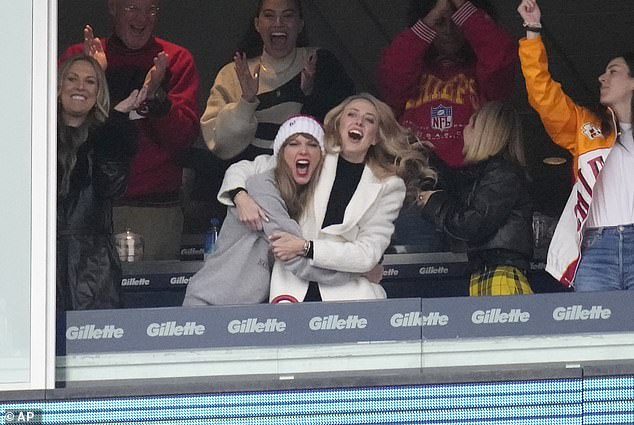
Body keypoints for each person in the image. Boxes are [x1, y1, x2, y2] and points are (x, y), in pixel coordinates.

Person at [218, 93, 435, 302]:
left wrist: (306, 247)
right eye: (352, 115)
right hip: (292, 287)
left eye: (369, 120)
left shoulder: (389, 186)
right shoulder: (315, 153)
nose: (358, 122)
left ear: (376, 136)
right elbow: (246, 170)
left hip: (349, 295)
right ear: (339, 125)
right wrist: (240, 195)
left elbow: (367, 254)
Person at [60, 0, 200, 260]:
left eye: (151, 10)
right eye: (132, 8)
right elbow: (59, 132)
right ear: (112, 8)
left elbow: (184, 139)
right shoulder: (80, 59)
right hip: (84, 208)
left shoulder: (175, 60)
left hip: (155, 210)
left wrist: (158, 99)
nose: (142, 18)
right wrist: (95, 77)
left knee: (154, 297)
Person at [184, 116, 369, 306]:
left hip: (248, 313)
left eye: (312, 145)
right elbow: (297, 260)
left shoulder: (311, 199)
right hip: (208, 306)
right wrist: (358, 272)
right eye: (294, 144)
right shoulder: (263, 186)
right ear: (280, 154)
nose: (303, 151)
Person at [377, 0, 516, 249]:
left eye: (458, 20)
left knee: (468, 270)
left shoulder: (483, 71)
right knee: (420, 269)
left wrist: (461, 5)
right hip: (417, 184)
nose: (450, 30)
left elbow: (500, 55)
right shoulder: (411, 69)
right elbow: (391, 70)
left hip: (473, 185)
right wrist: (432, 18)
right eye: (442, 22)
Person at [518, 0, 634, 291]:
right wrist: (532, 30)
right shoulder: (585, 126)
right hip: (596, 249)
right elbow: (543, 96)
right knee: (597, 334)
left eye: (614, 71)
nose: (602, 77)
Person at [200, 0, 354, 163]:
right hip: (247, 179)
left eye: (287, 16)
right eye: (269, 16)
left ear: (300, 24)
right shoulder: (233, 73)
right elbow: (220, 145)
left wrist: (309, 93)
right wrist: (246, 102)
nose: (278, 23)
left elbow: (344, 129)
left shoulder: (321, 63)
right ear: (257, 24)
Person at [57, 54, 147, 311]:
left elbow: (112, 185)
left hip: (92, 265)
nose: (80, 87)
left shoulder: (107, 135)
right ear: (59, 86)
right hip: (41, 257)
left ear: (99, 92)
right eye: (72, 79)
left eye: (90, 82)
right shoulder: (38, 131)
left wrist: (114, 125)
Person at [417, 101, 533, 296]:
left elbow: (472, 223)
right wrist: (428, 157)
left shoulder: (503, 174)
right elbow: (458, 188)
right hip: (486, 272)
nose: (464, 130)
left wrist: (433, 202)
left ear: (486, 133)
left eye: (471, 124)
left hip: (500, 274)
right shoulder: (490, 174)